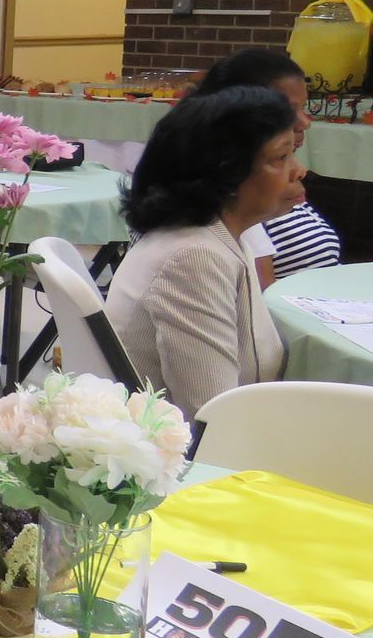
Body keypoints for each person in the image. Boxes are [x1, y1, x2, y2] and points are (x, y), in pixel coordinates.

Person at [105, 87, 301, 419]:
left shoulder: (220, 235)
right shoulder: (193, 256)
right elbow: (211, 417)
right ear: (227, 171)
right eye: (281, 157)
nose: (298, 170)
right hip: (189, 462)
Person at [190, 48, 341, 287]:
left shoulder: (271, 182)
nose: (305, 122)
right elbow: (258, 304)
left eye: (305, 107)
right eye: (289, 110)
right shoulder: (238, 199)